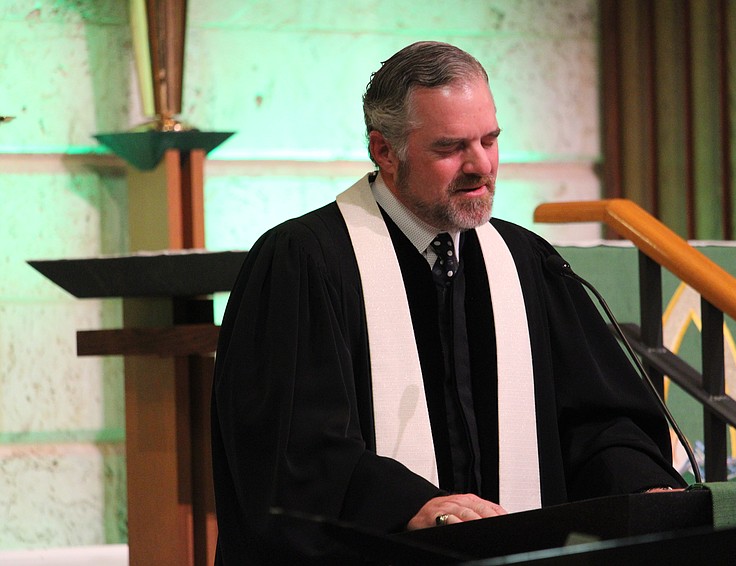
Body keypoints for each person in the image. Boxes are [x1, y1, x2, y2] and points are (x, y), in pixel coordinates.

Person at [211, 41, 685, 564]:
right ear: (385, 151)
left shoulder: (523, 260)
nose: (481, 165)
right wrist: (412, 505)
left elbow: (597, 421)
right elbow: (289, 451)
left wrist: (640, 486)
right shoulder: (305, 262)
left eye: (490, 139)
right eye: (451, 147)